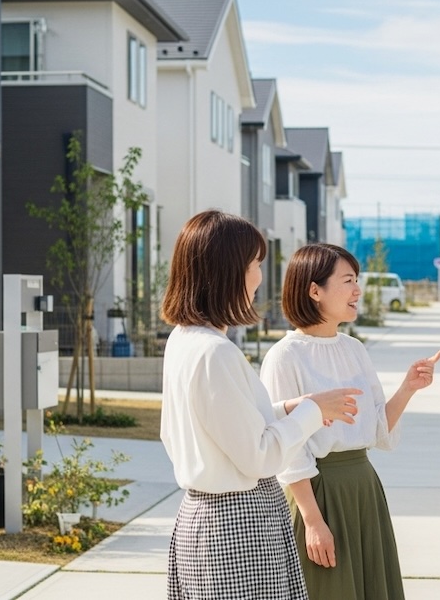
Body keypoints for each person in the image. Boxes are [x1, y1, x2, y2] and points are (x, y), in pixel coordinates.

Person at [159, 210, 362, 600]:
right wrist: (312, 413)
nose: (259, 277)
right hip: (237, 525)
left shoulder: (184, 340)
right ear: (228, 270)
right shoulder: (215, 352)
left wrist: (291, 408)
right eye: (255, 264)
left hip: (204, 519)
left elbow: (221, 427)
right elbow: (258, 456)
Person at [261, 243, 440, 600]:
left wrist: (408, 389)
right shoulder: (285, 356)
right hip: (317, 493)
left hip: (363, 488)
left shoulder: (353, 348)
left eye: (356, 280)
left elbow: (378, 430)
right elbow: (289, 450)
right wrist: (313, 520)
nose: (357, 290)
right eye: (347, 281)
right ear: (315, 290)